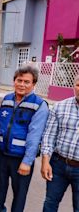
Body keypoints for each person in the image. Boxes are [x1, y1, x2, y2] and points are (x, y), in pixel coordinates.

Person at [0, 65, 49, 212]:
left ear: (33, 84)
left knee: (19, 197)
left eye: (26, 82)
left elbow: (35, 136)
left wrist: (27, 162)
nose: (22, 84)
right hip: (1, 155)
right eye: (19, 80)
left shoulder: (39, 105)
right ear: (14, 81)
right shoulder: (6, 99)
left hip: (21, 159)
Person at [40, 75, 79, 212]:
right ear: (74, 86)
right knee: (50, 203)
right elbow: (49, 136)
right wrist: (45, 161)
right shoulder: (60, 106)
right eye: (78, 85)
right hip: (58, 165)